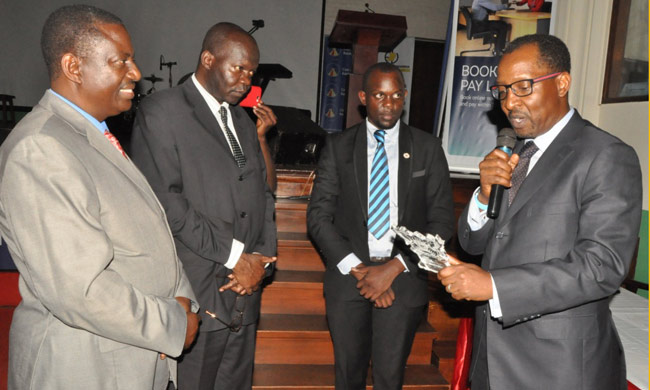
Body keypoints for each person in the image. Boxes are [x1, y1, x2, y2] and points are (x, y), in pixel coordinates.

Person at [0, 5, 200, 389]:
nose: (136, 73)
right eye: (121, 60)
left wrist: (183, 299)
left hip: (131, 355)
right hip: (88, 367)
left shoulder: (91, 134)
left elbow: (146, 233)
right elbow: (81, 290)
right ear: (74, 67)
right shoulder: (41, 148)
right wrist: (172, 322)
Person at [438, 34, 642, 390]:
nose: (509, 102)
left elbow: (602, 266)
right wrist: (484, 197)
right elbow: (474, 244)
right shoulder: (515, 152)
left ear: (562, 83)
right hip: (492, 361)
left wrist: (493, 286)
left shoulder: (606, 155)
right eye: (502, 90)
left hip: (556, 371)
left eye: (522, 87)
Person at [129, 22, 277, 390]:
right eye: (238, 68)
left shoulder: (242, 120)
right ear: (208, 59)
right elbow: (167, 202)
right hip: (199, 289)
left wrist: (261, 259)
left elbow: (262, 193)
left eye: (252, 72)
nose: (246, 80)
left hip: (245, 290)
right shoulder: (162, 111)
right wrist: (235, 257)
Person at [307, 63, 455, 390]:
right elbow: (318, 217)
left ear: (404, 97)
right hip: (349, 279)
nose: (388, 103)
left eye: (396, 95)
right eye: (379, 95)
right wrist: (362, 271)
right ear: (363, 98)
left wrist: (393, 268)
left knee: (390, 379)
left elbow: (443, 222)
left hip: (403, 280)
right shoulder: (338, 147)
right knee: (348, 376)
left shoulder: (427, 148)